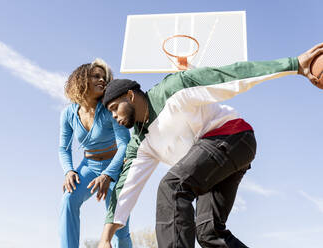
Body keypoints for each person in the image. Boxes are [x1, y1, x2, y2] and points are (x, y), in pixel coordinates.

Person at [97, 43, 323, 248]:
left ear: (130, 96)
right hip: (215, 163)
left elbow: (230, 76)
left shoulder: (174, 89)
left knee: (172, 186)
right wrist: (105, 238)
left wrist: (292, 65)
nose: (115, 116)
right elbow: (125, 188)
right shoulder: (140, 144)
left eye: (115, 108)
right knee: (208, 232)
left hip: (233, 136)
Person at [59, 58, 133, 248]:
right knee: (69, 198)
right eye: (96, 76)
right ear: (82, 80)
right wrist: (69, 171)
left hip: (115, 166)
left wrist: (108, 174)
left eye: (104, 77)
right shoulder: (68, 114)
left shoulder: (110, 108)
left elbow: (125, 144)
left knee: (119, 226)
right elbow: (64, 148)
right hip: (88, 166)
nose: (102, 80)